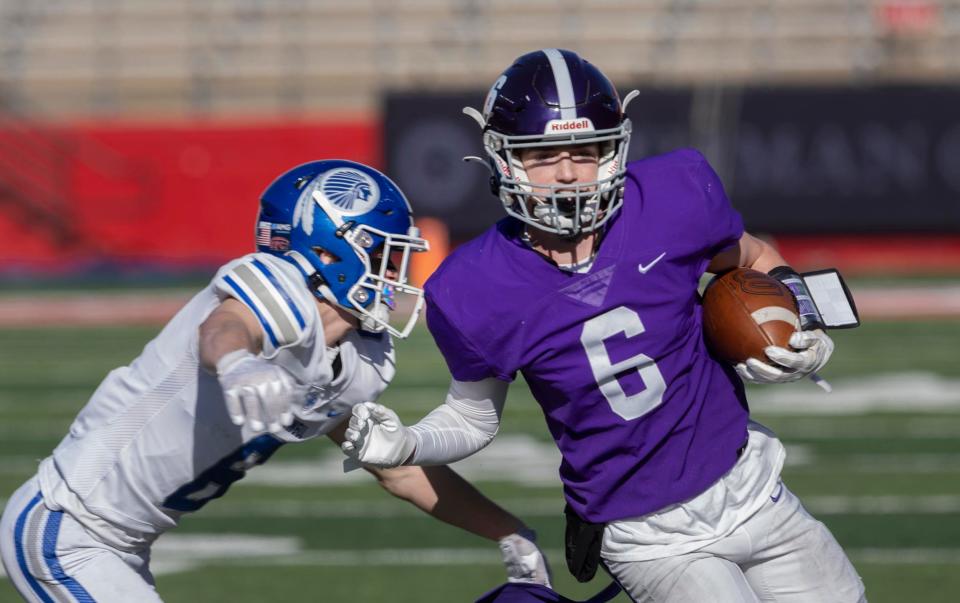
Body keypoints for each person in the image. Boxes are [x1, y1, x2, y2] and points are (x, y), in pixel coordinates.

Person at [342, 50, 866, 602]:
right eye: (543, 155)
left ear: (615, 149)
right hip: (648, 533)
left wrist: (799, 316)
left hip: (752, 485)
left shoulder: (671, 198)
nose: (568, 172)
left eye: (586, 152)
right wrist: (409, 443)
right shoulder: (471, 287)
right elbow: (474, 417)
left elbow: (754, 256)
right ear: (502, 159)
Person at [0, 159, 550, 602]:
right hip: (66, 529)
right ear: (332, 249)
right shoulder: (278, 286)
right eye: (383, 253)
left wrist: (508, 532)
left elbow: (398, 469)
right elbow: (225, 328)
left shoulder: (358, 356)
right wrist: (239, 364)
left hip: (122, 543)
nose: (396, 274)